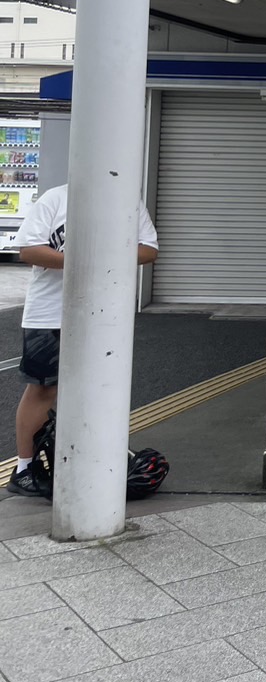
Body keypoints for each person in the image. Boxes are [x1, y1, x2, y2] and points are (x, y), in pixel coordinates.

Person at [8, 183, 158, 497]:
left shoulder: (127, 200)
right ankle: (24, 469)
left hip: (105, 315)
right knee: (43, 389)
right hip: (51, 313)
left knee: (98, 389)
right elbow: (28, 250)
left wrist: (104, 257)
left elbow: (149, 249)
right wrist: (85, 260)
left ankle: (91, 457)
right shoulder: (56, 198)